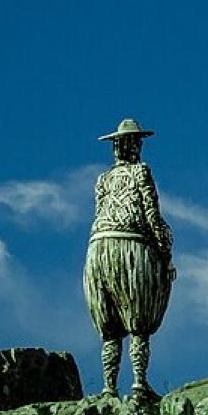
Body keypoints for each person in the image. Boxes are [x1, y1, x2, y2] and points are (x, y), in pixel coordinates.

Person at [83, 118, 175, 400]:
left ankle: (109, 387)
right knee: (138, 320)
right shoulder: (141, 173)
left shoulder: (103, 179)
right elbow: (151, 214)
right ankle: (138, 383)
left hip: (98, 250)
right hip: (131, 249)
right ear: (134, 146)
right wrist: (165, 251)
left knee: (109, 326)